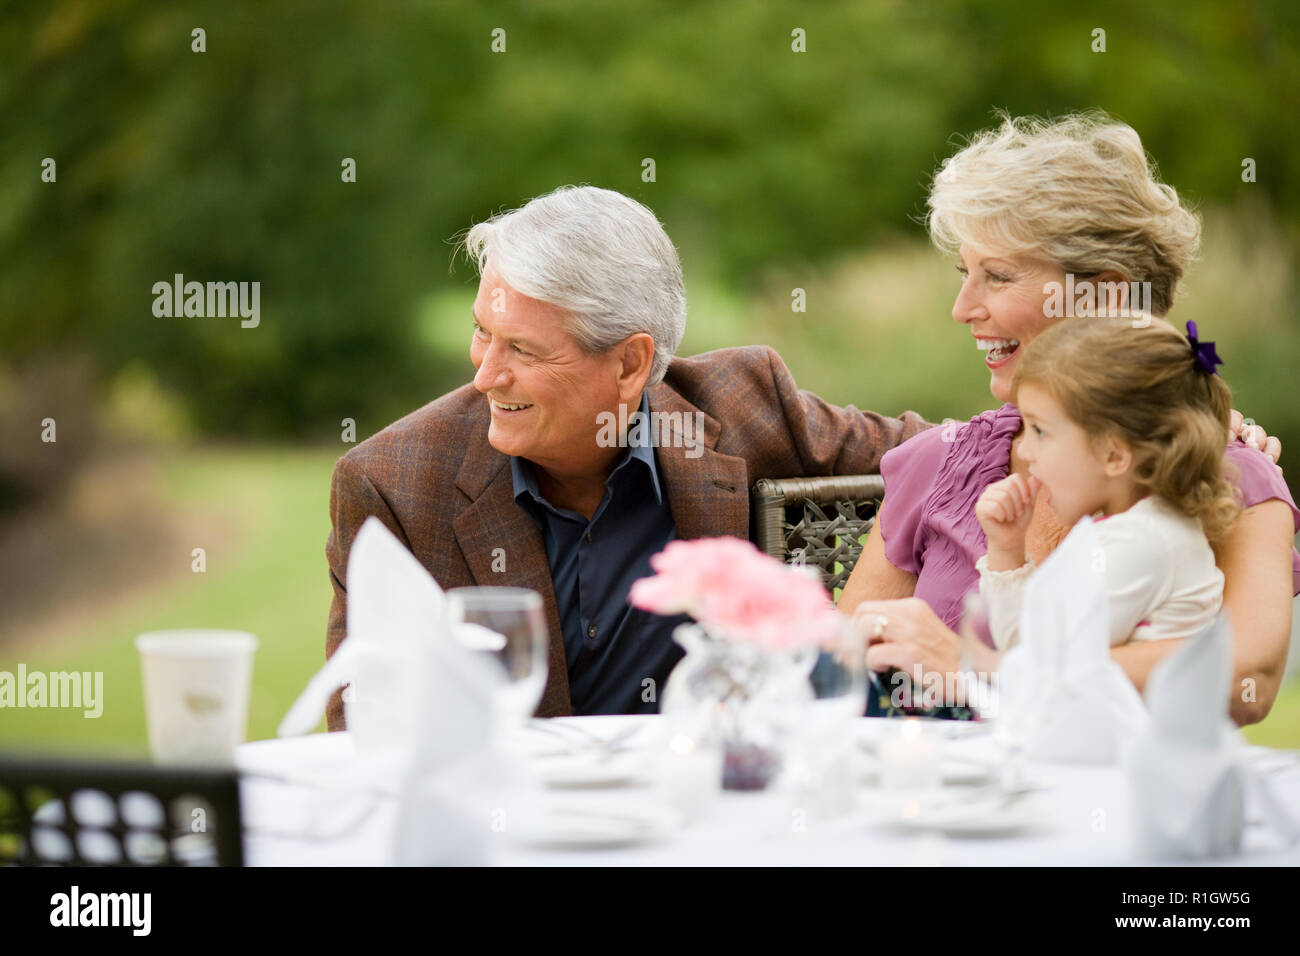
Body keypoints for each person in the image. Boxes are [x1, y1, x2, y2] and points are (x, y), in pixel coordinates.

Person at [324, 185, 930, 730]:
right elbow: (363, 718)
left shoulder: (747, 403)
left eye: (523, 351)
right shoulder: (392, 485)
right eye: (484, 331)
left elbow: (957, 453)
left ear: (630, 364)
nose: (485, 375)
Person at [839, 113, 1297, 725]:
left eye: (997, 276)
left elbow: (1246, 679)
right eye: (964, 275)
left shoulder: (1228, 475)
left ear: (1104, 294)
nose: (962, 308)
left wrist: (979, 670)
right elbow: (842, 661)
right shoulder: (942, 461)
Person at [974, 316, 1237, 651]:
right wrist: (1008, 549)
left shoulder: (1141, 543)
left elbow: (1030, 659)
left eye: (1039, 430)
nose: (1024, 450)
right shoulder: (1131, 530)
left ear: (1114, 455)